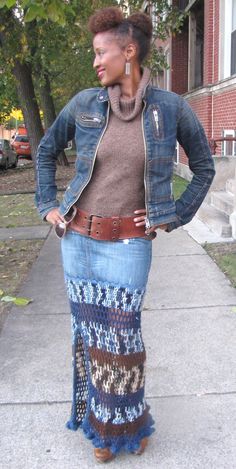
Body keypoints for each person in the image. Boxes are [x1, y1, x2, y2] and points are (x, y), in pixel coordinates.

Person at [35, 6, 215, 463]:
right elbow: (45, 151)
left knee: (122, 337)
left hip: (129, 245)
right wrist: (47, 207)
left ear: (129, 51)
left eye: (101, 52)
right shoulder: (84, 104)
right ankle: (100, 424)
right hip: (78, 240)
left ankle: (126, 422)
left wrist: (171, 216)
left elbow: (203, 168)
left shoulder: (171, 108)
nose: (95, 61)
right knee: (88, 335)